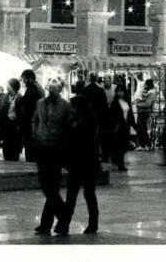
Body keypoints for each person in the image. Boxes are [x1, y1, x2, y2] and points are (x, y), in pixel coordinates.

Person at [33, 80, 73, 235]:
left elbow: (68, 127)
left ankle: (49, 223)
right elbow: (35, 120)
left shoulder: (65, 106)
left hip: (56, 148)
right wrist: (35, 134)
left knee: (52, 188)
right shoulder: (40, 103)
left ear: (60, 91)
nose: (51, 92)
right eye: (49, 89)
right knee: (47, 187)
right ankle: (62, 218)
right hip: (42, 147)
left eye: (54, 90)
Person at [64, 94, 101, 234]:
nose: (71, 109)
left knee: (86, 194)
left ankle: (92, 223)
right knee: (74, 194)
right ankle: (65, 223)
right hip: (78, 162)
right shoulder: (75, 120)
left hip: (86, 161)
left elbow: (86, 142)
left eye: (73, 107)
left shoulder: (88, 121)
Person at [17, 69, 43, 163]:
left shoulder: (32, 89)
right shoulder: (38, 87)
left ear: (29, 78)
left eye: (24, 78)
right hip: (35, 121)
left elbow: (28, 106)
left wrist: (20, 99)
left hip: (30, 122)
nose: (23, 81)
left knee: (29, 147)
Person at [83, 73, 110, 160]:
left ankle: (91, 155)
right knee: (101, 137)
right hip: (99, 116)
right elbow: (104, 105)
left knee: (89, 137)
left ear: (89, 79)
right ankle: (103, 156)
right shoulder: (100, 90)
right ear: (97, 78)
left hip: (88, 117)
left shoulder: (85, 90)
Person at [108, 86, 135, 171]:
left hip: (126, 126)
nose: (120, 93)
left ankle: (118, 161)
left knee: (124, 145)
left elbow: (130, 114)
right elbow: (112, 115)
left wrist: (133, 125)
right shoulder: (115, 103)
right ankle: (120, 164)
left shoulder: (126, 102)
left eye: (121, 91)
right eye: (118, 91)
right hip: (119, 126)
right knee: (120, 145)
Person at [0, 79, 21, 161]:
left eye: (8, 86)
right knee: (6, 148)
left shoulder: (20, 98)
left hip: (15, 125)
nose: (6, 88)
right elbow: (1, 111)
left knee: (15, 149)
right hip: (6, 124)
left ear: (13, 87)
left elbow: (21, 113)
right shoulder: (5, 97)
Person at [135, 79, 157, 150]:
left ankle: (147, 144)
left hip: (145, 112)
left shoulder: (152, 93)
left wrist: (138, 104)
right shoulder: (147, 92)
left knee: (143, 129)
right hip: (142, 112)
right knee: (140, 128)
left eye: (145, 84)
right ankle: (142, 144)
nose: (144, 86)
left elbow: (148, 104)